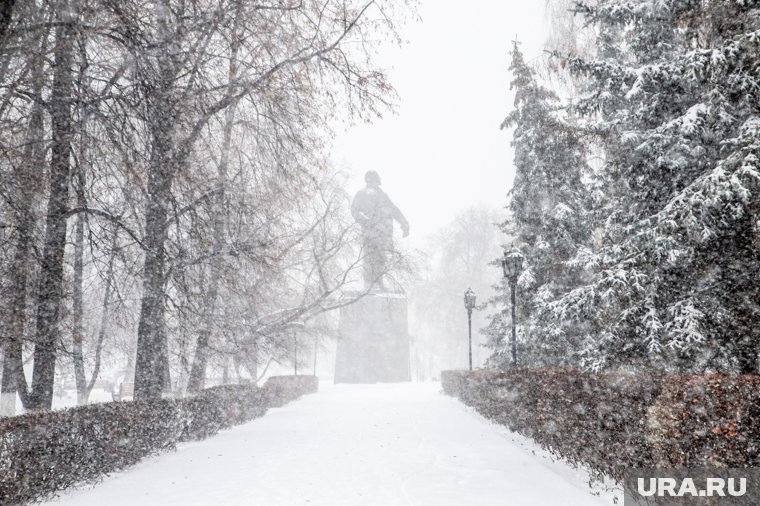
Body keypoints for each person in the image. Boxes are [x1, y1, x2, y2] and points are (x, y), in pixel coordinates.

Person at [351, 171, 409, 290]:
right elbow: (354, 211)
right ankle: (369, 285)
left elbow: (394, 210)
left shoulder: (382, 195)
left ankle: (378, 283)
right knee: (369, 258)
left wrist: (404, 223)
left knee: (380, 259)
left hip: (382, 233)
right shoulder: (362, 194)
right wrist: (366, 221)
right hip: (371, 233)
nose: (374, 184)